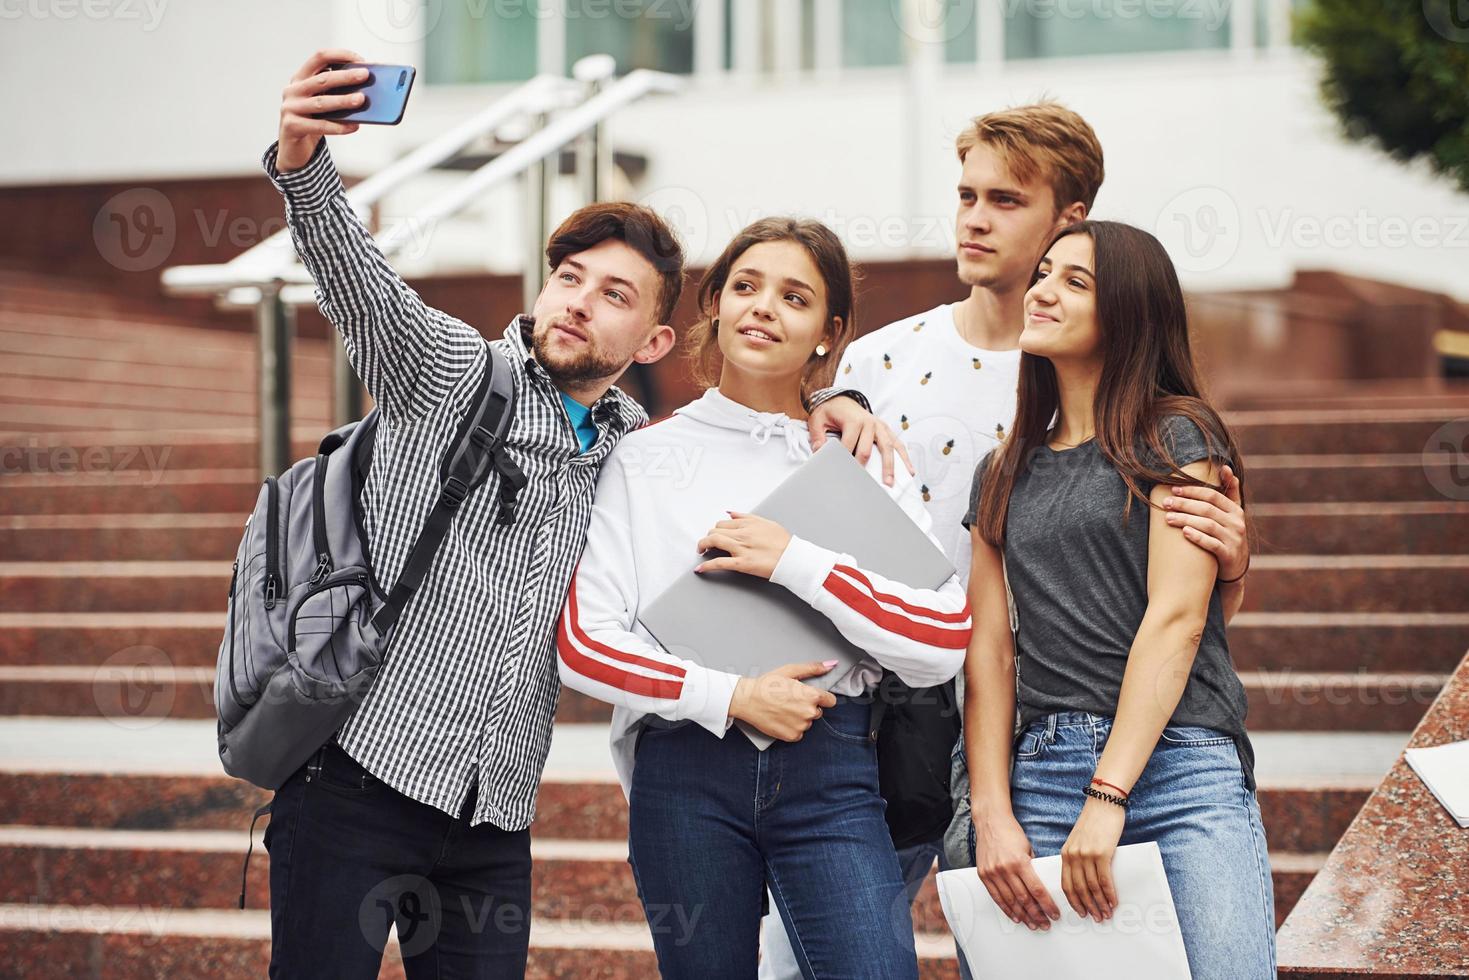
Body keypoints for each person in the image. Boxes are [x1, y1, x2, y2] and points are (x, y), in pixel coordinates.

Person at [258, 49, 895, 979]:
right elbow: (361, 284)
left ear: (658, 339)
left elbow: (744, 435)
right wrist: (305, 164)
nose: (578, 303)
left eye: (614, 295)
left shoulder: (628, 442)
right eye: (569, 276)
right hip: (358, 776)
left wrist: (833, 401)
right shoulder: (447, 370)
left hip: (493, 816)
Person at [760, 103, 1252, 980]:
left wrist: (1228, 565)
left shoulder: (1147, 422)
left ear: (1072, 218)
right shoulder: (882, 366)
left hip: (1087, 729)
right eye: (965, 195)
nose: (975, 218)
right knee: (805, 961)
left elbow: (1177, 620)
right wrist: (815, 402)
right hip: (892, 708)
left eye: (1006, 200)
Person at [557, 217, 973, 979]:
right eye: (744, 287)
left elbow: (940, 641)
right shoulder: (642, 457)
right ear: (712, 304)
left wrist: (796, 561)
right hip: (685, 771)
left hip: (834, 769)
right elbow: (584, 642)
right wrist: (732, 695)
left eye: (794, 296)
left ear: (829, 330)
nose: (762, 308)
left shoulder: (861, 455)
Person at [962, 220, 1274, 978]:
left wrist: (1107, 797)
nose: (1042, 291)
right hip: (1038, 773)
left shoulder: (1176, 436)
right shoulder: (1001, 470)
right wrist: (991, 813)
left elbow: (1174, 622)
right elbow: (990, 650)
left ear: (1129, 313)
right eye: (1043, 273)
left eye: (1075, 281)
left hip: (1181, 766)